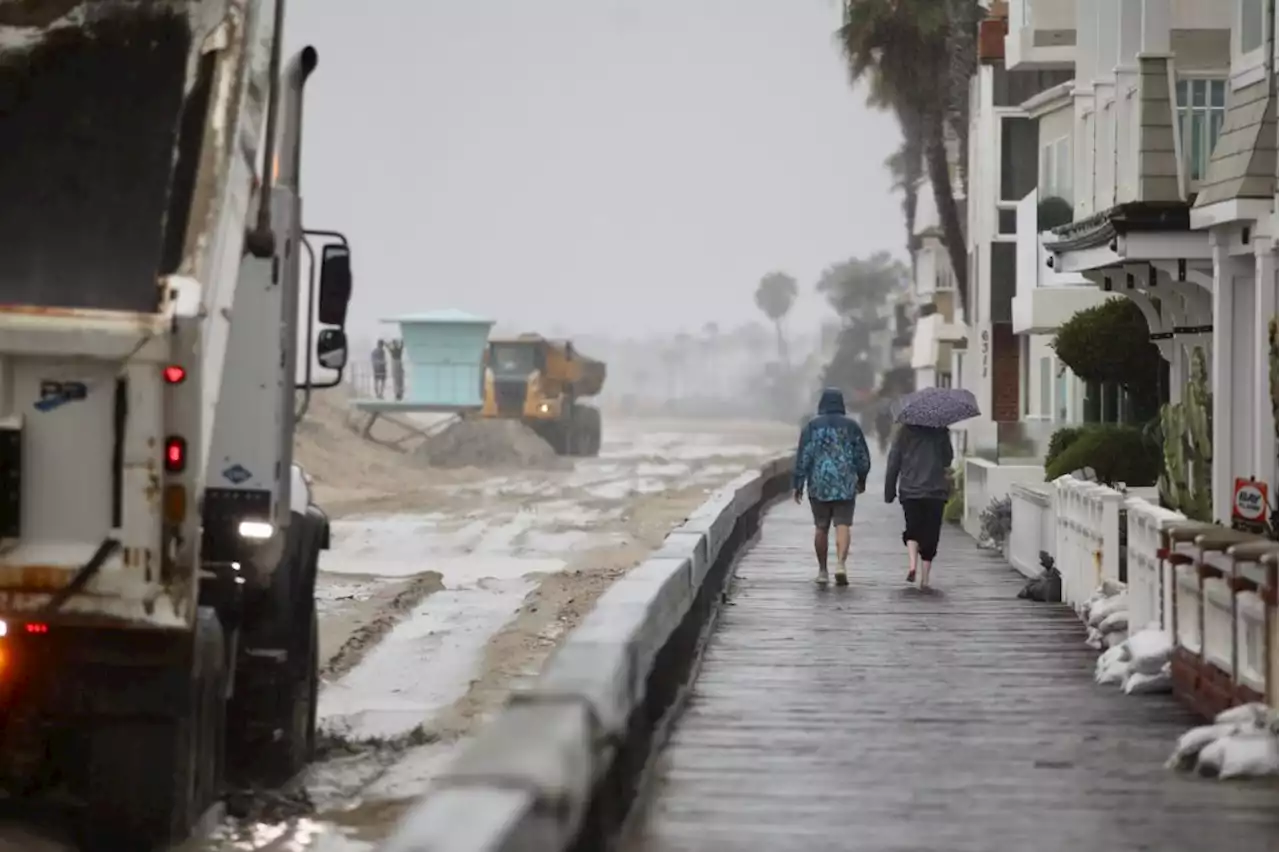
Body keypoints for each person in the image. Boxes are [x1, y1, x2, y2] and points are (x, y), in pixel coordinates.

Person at [792, 387, 872, 587]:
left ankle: (822, 571)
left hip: (819, 483)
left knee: (821, 527)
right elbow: (862, 456)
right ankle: (841, 565)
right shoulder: (851, 427)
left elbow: (804, 456)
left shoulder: (811, 427)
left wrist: (798, 484)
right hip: (845, 483)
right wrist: (861, 478)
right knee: (842, 524)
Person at [884, 424, 954, 589]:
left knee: (912, 527)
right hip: (935, 490)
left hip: (910, 489)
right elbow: (948, 459)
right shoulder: (941, 432)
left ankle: (912, 564)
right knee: (932, 531)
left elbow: (894, 461)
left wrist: (889, 491)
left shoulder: (903, 433)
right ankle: (925, 577)